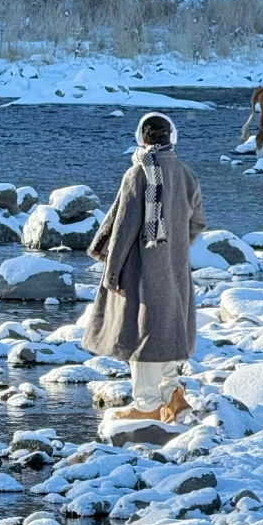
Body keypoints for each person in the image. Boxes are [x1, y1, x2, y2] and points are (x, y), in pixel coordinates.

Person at [83, 112, 205, 422]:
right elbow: (198, 222)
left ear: (141, 138)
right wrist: (176, 248)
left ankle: (147, 405)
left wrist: (112, 273)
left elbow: (124, 229)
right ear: (171, 138)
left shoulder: (138, 175)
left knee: (143, 337)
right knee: (165, 333)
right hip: (174, 269)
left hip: (142, 270)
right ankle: (173, 396)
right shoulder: (186, 173)